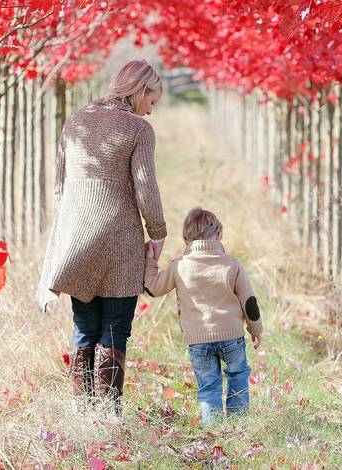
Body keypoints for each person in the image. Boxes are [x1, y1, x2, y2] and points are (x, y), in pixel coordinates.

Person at [37, 60, 166, 413]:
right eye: (151, 101)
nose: (151, 111)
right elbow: (146, 188)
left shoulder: (76, 121)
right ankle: (108, 413)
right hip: (120, 240)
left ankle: (82, 411)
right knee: (115, 327)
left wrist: (70, 231)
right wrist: (157, 233)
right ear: (139, 91)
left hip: (77, 236)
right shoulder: (138, 130)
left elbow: (61, 186)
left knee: (85, 324)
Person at [143, 207, 263, 424]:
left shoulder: (179, 266)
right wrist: (255, 329)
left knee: (209, 387)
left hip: (198, 341)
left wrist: (150, 261)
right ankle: (239, 425)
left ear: (185, 239)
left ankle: (215, 430)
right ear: (219, 235)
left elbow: (152, 287)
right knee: (238, 376)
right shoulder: (232, 263)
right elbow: (249, 301)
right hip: (231, 337)